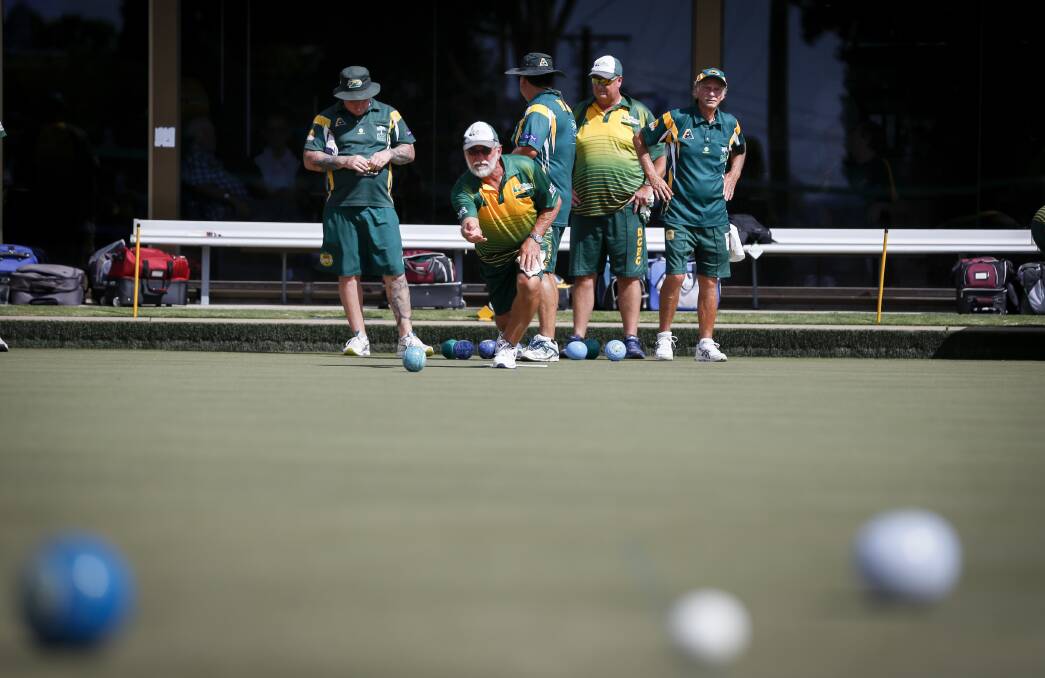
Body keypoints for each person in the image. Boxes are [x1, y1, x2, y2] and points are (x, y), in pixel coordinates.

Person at [303, 66, 431, 358]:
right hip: (340, 206)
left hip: (381, 206)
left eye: (363, 97)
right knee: (348, 272)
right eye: (352, 98)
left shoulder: (389, 114)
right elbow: (310, 158)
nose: (359, 103)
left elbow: (409, 151)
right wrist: (346, 161)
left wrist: (387, 154)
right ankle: (359, 337)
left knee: (395, 271)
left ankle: (406, 336)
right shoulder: (326, 118)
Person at [635, 67, 745, 361]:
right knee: (677, 273)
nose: (712, 93)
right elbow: (641, 140)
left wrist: (733, 175)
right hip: (679, 212)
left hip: (715, 215)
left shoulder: (730, 124)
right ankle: (663, 339)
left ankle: (705, 344)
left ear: (724, 94)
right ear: (696, 91)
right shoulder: (677, 118)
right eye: (706, 88)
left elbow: (741, 150)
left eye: (717, 89)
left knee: (710, 279)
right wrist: (653, 179)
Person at [568, 55, 665, 358]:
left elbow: (661, 155)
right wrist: (564, 185)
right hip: (585, 208)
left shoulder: (639, 112)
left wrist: (649, 185)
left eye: (606, 81)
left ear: (620, 81)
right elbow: (561, 154)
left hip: (627, 209)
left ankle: (632, 338)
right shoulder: (579, 112)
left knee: (628, 275)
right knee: (584, 276)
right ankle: (577, 337)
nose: (600, 86)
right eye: (596, 80)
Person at [450, 122, 561, 369]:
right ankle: (512, 340)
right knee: (505, 318)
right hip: (493, 257)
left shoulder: (526, 168)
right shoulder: (463, 188)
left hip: (531, 239)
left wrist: (534, 239)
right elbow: (468, 217)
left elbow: (553, 203)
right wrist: (471, 228)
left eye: (485, 151)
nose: (479, 158)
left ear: (498, 150)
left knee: (529, 281)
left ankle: (514, 346)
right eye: (472, 152)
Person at [505, 52, 576, 362]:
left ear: (523, 81)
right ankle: (542, 339)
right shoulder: (564, 107)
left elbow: (529, 150)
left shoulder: (539, 108)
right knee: (545, 271)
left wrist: (501, 165)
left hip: (541, 205)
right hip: (554, 201)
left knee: (538, 271)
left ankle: (547, 341)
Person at [182, 117, 251, 221]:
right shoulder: (196, 158)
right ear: (199, 136)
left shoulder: (206, 157)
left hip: (240, 207)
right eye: (210, 133)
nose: (214, 138)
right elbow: (202, 186)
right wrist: (234, 200)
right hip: (224, 214)